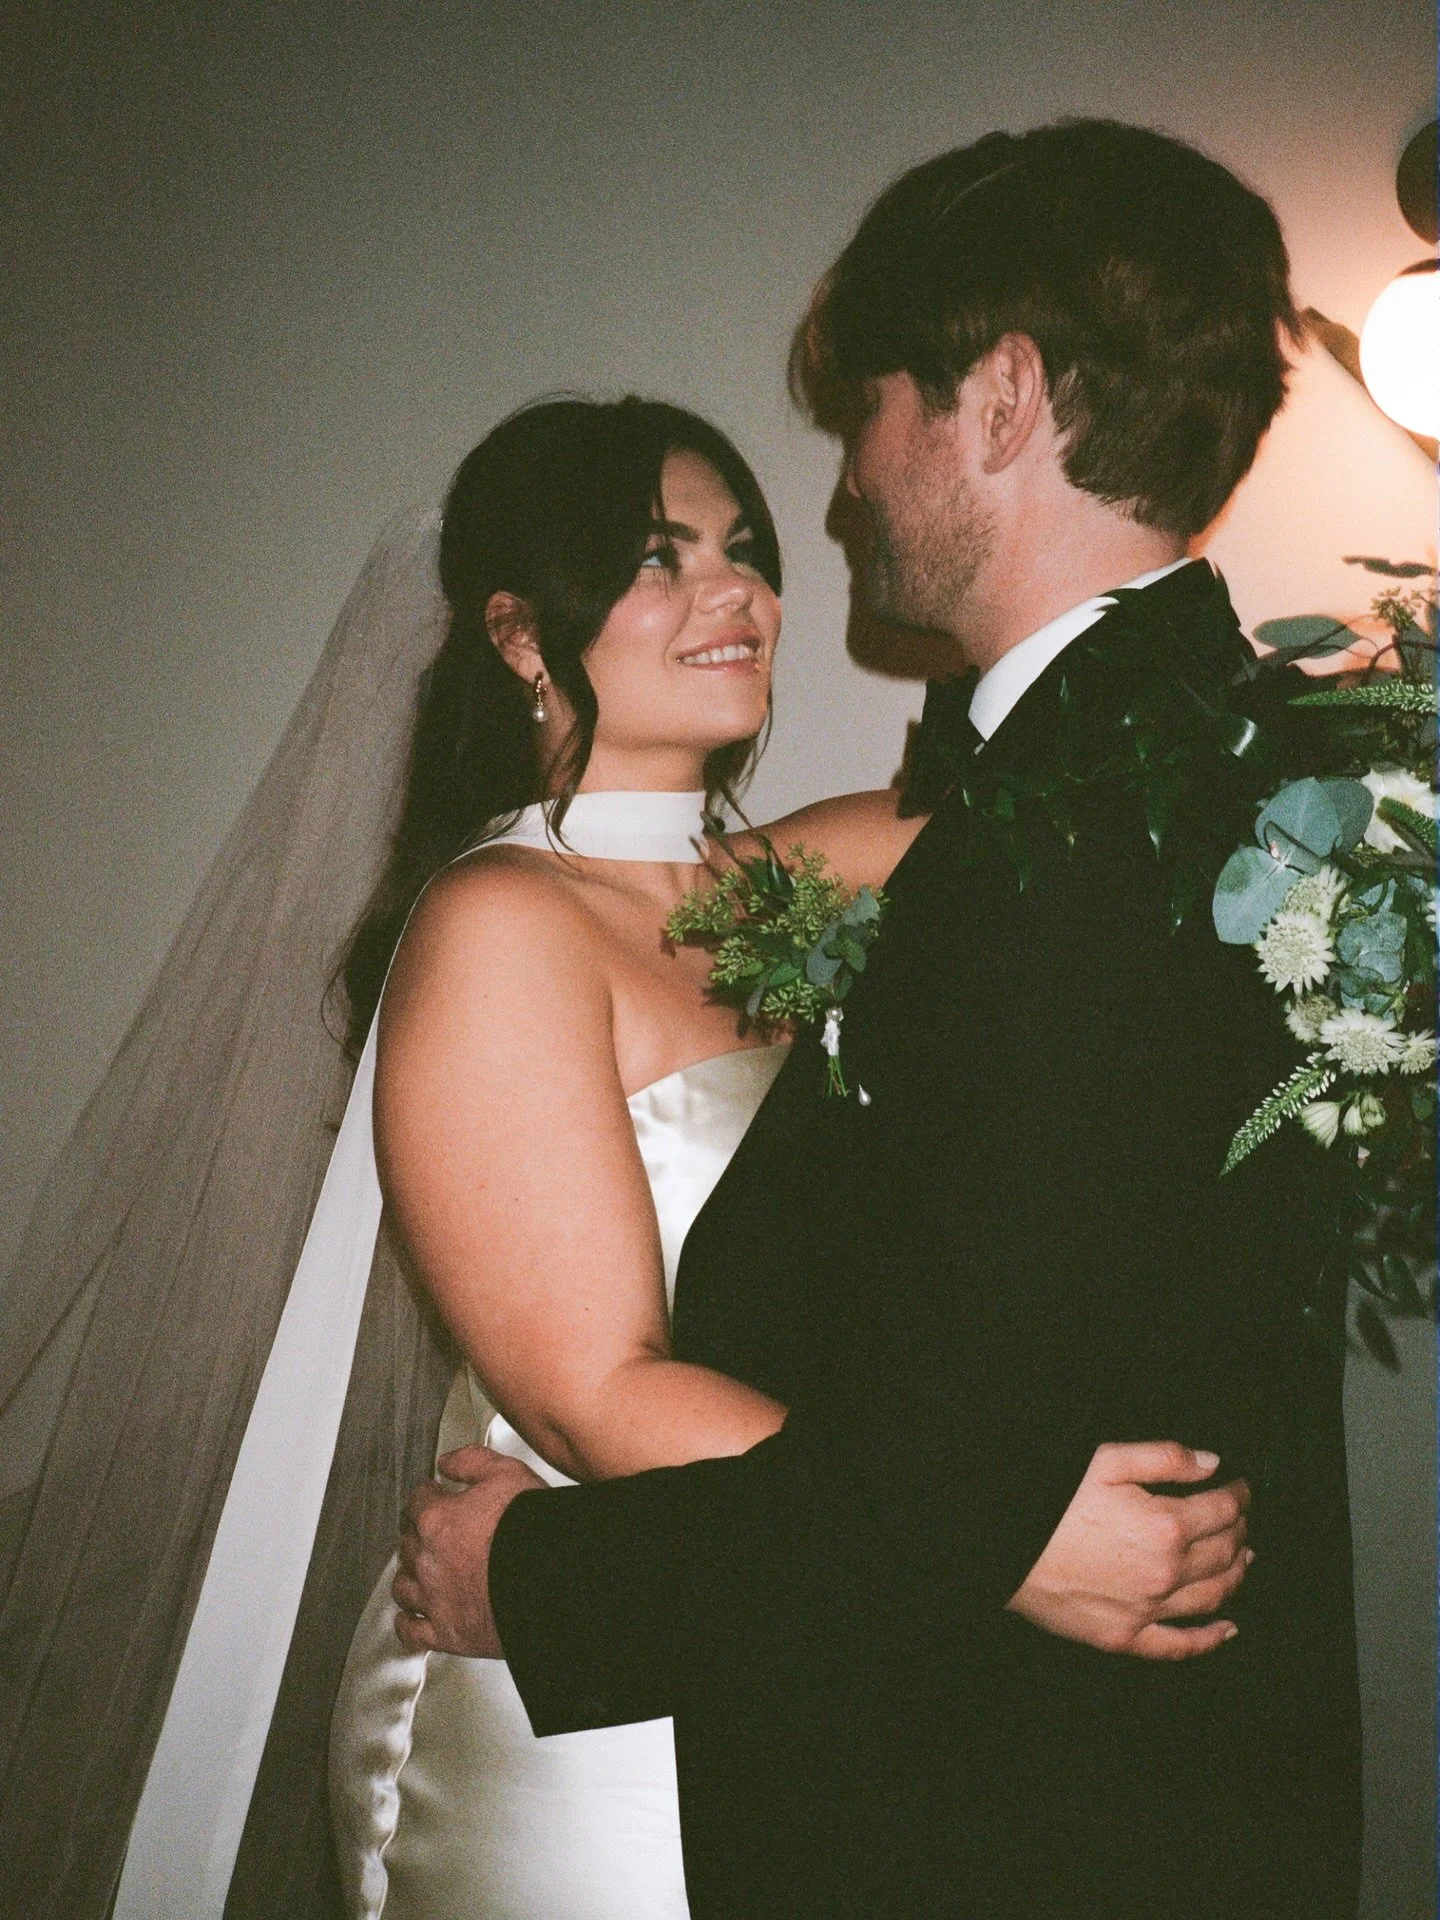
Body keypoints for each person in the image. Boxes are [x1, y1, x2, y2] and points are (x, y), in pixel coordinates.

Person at [392, 122, 1363, 1919]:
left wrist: (551, 1582)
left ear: (997, 400)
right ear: (522, 636)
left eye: (861, 428)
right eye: (656, 557)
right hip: (777, 1679)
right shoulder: (1146, 791)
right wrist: (1007, 1539)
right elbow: (618, 1376)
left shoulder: (1019, 835)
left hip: (922, 1727)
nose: (815, 520)